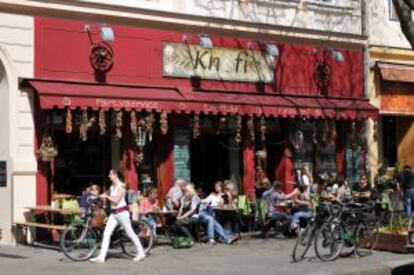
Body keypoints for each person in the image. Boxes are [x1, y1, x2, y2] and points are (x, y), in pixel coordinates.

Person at [90, 169, 145, 263]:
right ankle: (101, 257)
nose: (109, 176)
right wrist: (96, 196)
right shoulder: (112, 186)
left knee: (130, 232)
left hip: (122, 213)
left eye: (110, 174)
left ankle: (141, 253)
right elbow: (105, 194)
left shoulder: (122, 186)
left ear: (115, 175)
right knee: (106, 233)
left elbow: (116, 200)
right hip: (114, 214)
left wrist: (107, 197)